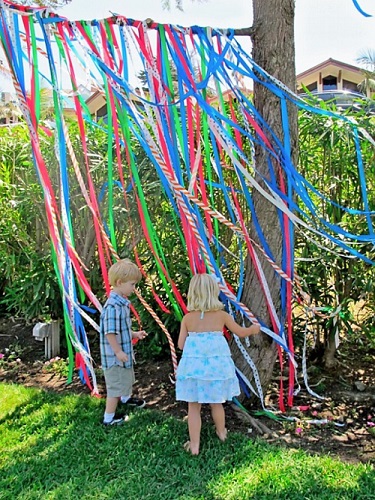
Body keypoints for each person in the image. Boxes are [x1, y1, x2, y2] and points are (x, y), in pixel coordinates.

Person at [176, 273, 260, 455]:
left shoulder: (187, 319)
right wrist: (253, 329)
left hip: (194, 372)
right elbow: (241, 332)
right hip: (216, 371)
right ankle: (222, 433)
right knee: (217, 403)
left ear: (192, 294)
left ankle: (195, 445)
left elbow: (181, 345)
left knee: (193, 407)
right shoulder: (222, 316)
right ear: (214, 292)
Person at [100, 258, 148, 426]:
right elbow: (110, 333)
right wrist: (118, 351)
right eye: (132, 285)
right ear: (120, 283)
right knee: (115, 388)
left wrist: (134, 334)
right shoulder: (113, 307)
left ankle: (126, 399)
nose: (134, 289)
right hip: (115, 358)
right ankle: (108, 418)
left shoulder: (122, 304)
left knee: (127, 379)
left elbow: (122, 329)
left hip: (123, 354)